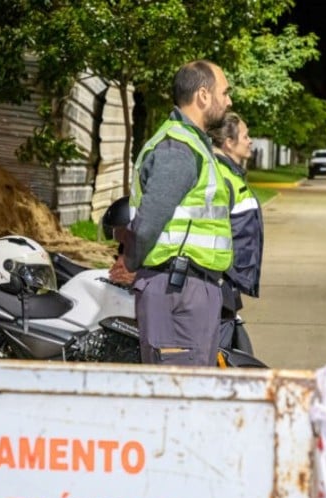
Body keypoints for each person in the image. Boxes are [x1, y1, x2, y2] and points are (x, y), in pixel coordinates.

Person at [123, 59, 234, 366]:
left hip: (187, 288)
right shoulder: (179, 149)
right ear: (203, 95)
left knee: (192, 385)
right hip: (179, 291)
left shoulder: (193, 144)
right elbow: (150, 219)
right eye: (224, 93)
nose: (229, 101)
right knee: (178, 387)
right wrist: (129, 261)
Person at [207, 112, 263, 347]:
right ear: (229, 142)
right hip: (219, 280)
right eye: (245, 136)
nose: (250, 141)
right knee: (222, 351)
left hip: (228, 281)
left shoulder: (231, 174)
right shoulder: (221, 176)